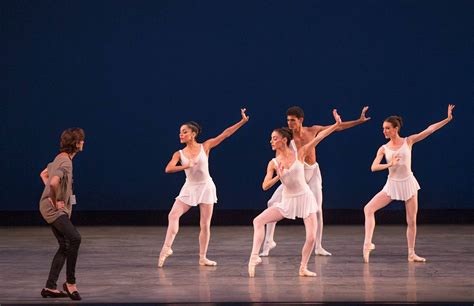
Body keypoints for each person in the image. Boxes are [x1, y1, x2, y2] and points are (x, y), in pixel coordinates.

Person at [261, 106, 370, 257]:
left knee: (317, 209)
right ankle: (268, 242)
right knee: (272, 203)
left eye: (293, 120)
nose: (290, 123)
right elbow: (280, 154)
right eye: (288, 120)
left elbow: (336, 128)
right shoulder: (287, 136)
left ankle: (318, 246)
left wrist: (359, 121)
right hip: (297, 175)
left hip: (312, 173)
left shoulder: (312, 130)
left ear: (301, 120)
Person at [248, 110, 342, 278]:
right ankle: (254, 256)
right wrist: (278, 176)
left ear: (284, 140)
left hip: (306, 199)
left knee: (311, 237)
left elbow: (320, 137)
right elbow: (264, 186)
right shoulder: (274, 163)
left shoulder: (301, 153)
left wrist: (336, 124)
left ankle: (303, 267)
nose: (271, 141)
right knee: (258, 221)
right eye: (271, 138)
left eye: (274, 138)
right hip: (287, 201)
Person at [363, 104, 455, 263]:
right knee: (368, 209)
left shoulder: (408, 141)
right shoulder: (383, 148)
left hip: (409, 184)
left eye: (387, 128)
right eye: (383, 128)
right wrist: (389, 164)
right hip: (392, 185)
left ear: (395, 128)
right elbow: (373, 167)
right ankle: (367, 243)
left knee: (411, 221)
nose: (384, 131)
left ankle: (411, 253)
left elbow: (429, 129)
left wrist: (447, 119)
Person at [158, 109, 249, 267]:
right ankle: (167, 248)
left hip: (206, 187)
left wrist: (242, 122)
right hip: (189, 188)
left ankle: (203, 257)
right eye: (180, 132)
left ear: (193, 134)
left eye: (184, 132)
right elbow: (168, 169)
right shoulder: (179, 154)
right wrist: (186, 165)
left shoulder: (205, 146)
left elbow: (225, 134)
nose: (181, 134)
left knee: (205, 224)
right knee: (173, 215)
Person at [39, 128, 85, 300]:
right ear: (76, 143)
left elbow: (43, 174)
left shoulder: (59, 158)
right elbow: (53, 183)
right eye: (81, 140)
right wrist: (55, 198)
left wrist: (52, 195)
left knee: (65, 245)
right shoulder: (66, 162)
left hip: (47, 207)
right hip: (53, 210)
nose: (83, 142)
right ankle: (70, 283)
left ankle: (50, 287)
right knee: (75, 238)